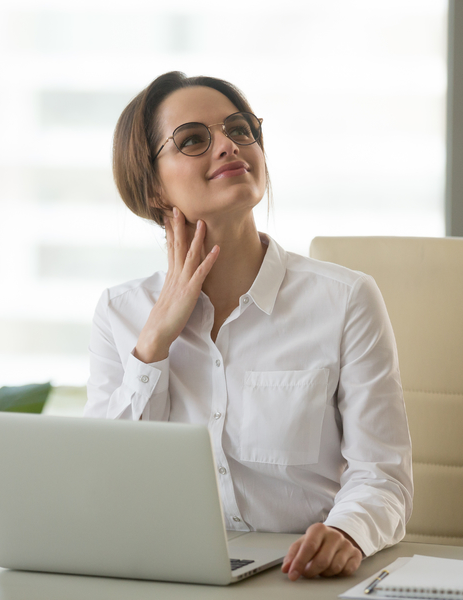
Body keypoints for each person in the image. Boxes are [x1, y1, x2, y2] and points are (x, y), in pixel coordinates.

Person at [84, 71, 413, 581]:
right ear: (151, 186)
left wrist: (347, 533)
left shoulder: (346, 299)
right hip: (164, 578)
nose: (228, 146)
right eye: (193, 139)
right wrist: (153, 344)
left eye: (240, 129)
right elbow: (101, 485)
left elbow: (382, 476)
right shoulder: (119, 313)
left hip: (298, 579)